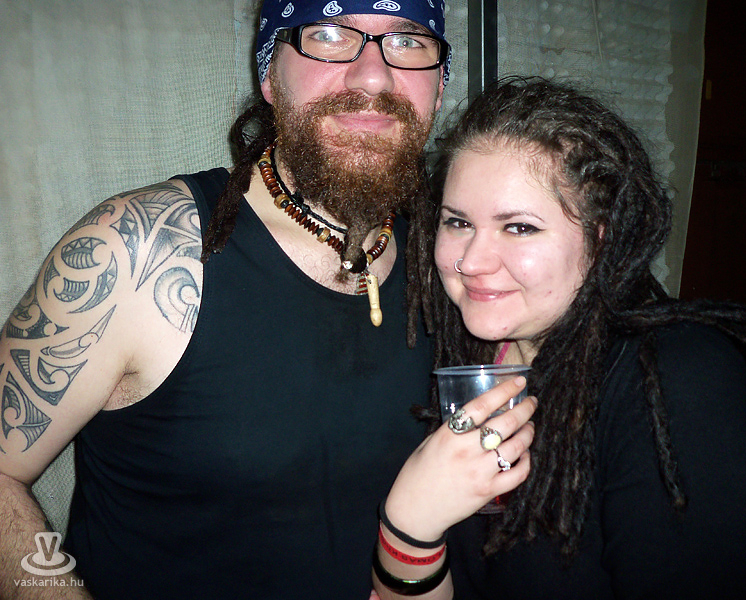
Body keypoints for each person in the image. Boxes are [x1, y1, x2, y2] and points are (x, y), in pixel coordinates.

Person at [0, 1, 450, 598]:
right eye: (329, 33)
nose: (373, 76)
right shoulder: (137, 249)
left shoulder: (460, 265)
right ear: (269, 75)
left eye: (409, 41)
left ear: (438, 89)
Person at [370, 77, 746, 599]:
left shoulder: (675, 381)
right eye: (458, 222)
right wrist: (409, 527)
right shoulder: (465, 365)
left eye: (519, 227)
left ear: (600, 238)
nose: (471, 261)